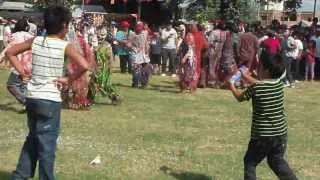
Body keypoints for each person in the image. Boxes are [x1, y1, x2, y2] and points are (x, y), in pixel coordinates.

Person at [6, 6, 89, 180]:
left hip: (32, 98)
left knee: (33, 139)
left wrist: (22, 71)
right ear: (65, 25)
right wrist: (68, 79)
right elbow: (84, 65)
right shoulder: (65, 45)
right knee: (47, 145)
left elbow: (11, 52)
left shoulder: (36, 41)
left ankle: (20, 176)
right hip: (49, 100)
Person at [228, 54, 298, 180]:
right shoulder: (279, 84)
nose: (257, 68)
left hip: (262, 136)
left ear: (266, 70)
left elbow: (240, 97)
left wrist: (231, 85)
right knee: (276, 160)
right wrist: (248, 77)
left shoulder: (256, 88)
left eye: (259, 66)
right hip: (280, 134)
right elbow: (262, 84)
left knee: (250, 162)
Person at [2, 18, 33, 109]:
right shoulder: (31, 36)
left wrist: (1, 57)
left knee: (11, 85)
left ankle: (26, 102)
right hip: (30, 64)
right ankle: (27, 105)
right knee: (23, 85)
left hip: (18, 64)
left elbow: (9, 49)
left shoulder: (14, 36)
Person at [128, 22, 152, 88]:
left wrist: (147, 50)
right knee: (136, 69)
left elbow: (146, 42)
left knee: (146, 69)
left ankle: (144, 83)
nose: (139, 27)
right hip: (135, 53)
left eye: (140, 26)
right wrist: (134, 48)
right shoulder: (132, 34)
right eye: (137, 26)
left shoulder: (145, 32)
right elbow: (129, 44)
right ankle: (135, 83)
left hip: (144, 53)